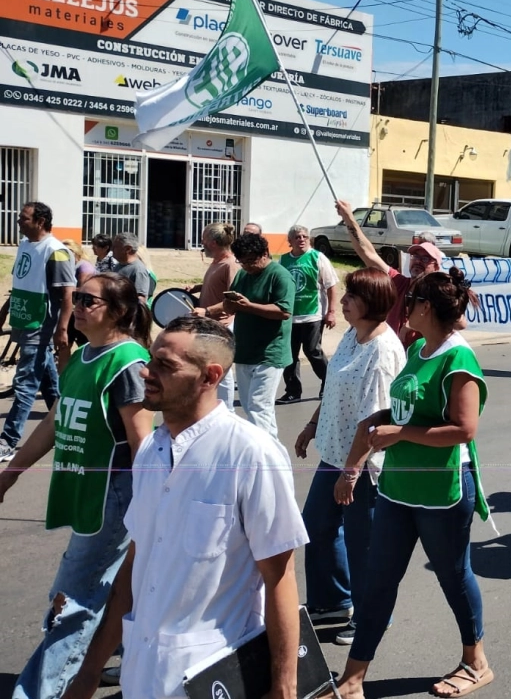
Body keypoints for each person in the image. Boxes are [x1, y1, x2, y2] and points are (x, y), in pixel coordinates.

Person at [63, 316, 308, 699]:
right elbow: (134, 564)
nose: (147, 372)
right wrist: (89, 671)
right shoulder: (151, 453)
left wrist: (284, 685)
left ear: (209, 377)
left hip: (215, 674)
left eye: (166, 365)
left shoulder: (250, 454)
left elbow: (280, 576)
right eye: (151, 360)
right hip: (142, 673)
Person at [334, 268, 494, 699]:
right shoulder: (419, 348)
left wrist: (400, 434)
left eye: (411, 301)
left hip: (441, 490)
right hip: (397, 486)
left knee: (454, 576)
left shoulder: (458, 358)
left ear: (425, 307)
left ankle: (475, 661)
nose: (403, 307)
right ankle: (352, 679)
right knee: (378, 579)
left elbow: (464, 429)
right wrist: (377, 430)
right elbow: (402, 410)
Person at [0, 273, 153, 699]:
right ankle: (126, 655)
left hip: (114, 496)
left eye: (89, 301)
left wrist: (151, 509)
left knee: (72, 600)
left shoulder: (127, 362)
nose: (79, 306)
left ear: (119, 311)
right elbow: (54, 420)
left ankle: (38, 693)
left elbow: (142, 442)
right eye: (79, 298)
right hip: (84, 492)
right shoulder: (85, 354)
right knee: (112, 587)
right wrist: (10, 475)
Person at [294, 268, 406, 646]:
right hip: (335, 453)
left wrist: (351, 472)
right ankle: (333, 601)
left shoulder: (383, 349)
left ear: (371, 303)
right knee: (316, 527)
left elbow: (374, 419)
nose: (342, 303)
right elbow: (334, 386)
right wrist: (312, 425)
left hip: (363, 466)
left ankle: (372, 616)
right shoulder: (352, 337)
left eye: (350, 297)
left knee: (365, 546)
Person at [0, 202, 76, 462]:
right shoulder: (24, 245)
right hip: (24, 319)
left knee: (25, 384)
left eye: (24, 218)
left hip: (41, 325)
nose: (19, 221)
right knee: (48, 380)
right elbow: (20, 281)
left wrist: (62, 330)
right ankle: (63, 426)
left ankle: (7, 441)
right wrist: (4, 311)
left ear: (40, 221)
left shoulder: (57, 252)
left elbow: (68, 294)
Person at [335, 199, 443, 346]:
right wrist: (349, 218)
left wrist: (415, 324)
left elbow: (457, 324)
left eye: (425, 258)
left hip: (421, 362)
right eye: (415, 256)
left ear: (436, 267)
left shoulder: (441, 295)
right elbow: (368, 253)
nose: (418, 261)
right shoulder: (398, 283)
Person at [225, 232, 295, 438]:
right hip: (245, 351)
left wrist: (249, 306)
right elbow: (232, 303)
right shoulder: (242, 275)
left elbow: (284, 311)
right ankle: (268, 451)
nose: (246, 266)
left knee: (259, 408)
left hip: (270, 353)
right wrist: (211, 310)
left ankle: (264, 457)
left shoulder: (279, 275)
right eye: (242, 261)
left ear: (265, 253)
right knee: (249, 407)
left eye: (250, 261)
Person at [278, 225, 338, 404]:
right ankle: (293, 391)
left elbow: (331, 286)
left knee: (312, 351)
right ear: (290, 241)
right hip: (290, 317)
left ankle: (329, 383)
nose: (301, 239)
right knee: (289, 355)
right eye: (297, 237)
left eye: (305, 236)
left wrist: (332, 312)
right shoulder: (283, 261)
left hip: (312, 315)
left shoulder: (317, 257)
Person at [190, 222, 241, 408]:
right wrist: (197, 288)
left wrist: (207, 311)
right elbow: (216, 285)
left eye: (203, 239)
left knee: (222, 373)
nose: (201, 243)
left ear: (212, 242)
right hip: (210, 326)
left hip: (222, 326)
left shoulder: (230, 265)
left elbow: (233, 299)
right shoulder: (216, 262)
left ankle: (227, 411)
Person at [61, 239, 95, 348]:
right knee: (65, 344)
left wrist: (64, 291)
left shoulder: (84, 266)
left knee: (84, 344)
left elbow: (83, 289)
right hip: (74, 307)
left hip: (84, 309)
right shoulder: (71, 266)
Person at [111, 232, 155, 300]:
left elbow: (141, 299)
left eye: (115, 247)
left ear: (128, 249)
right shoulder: (118, 266)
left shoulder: (138, 270)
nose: (112, 249)